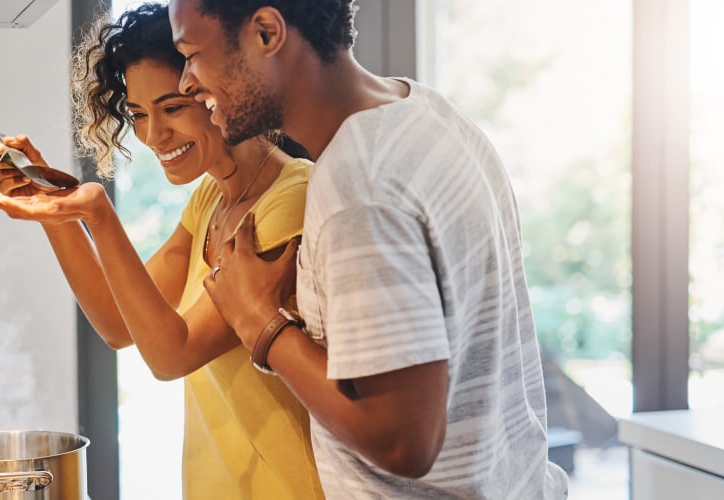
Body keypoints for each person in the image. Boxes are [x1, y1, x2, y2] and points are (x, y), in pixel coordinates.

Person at [167, 0, 570, 498]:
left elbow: (405, 443)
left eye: (192, 54)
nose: (186, 82)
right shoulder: (426, 111)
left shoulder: (358, 188)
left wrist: (261, 324)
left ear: (267, 33)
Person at [0, 4, 325, 499]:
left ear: (212, 89)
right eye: (138, 114)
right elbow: (119, 324)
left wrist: (99, 214)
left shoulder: (289, 200)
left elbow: (171, 355)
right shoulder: (213, 195)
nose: (152, 135)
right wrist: (52, 207)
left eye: (172, 107)